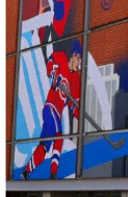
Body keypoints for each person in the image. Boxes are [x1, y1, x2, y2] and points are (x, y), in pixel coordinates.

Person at [20, 40, 82, 180]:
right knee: (59, 136)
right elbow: (50, 62)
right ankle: (53, 173)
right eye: (78, 58)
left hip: (56, 115)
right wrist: (53, 73)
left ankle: (26, 172)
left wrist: (80, 115)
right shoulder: (61, 58)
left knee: (44, 147)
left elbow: (74, 105)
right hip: (50, 108)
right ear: (73, 55)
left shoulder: (75, 80)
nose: (78, 63)